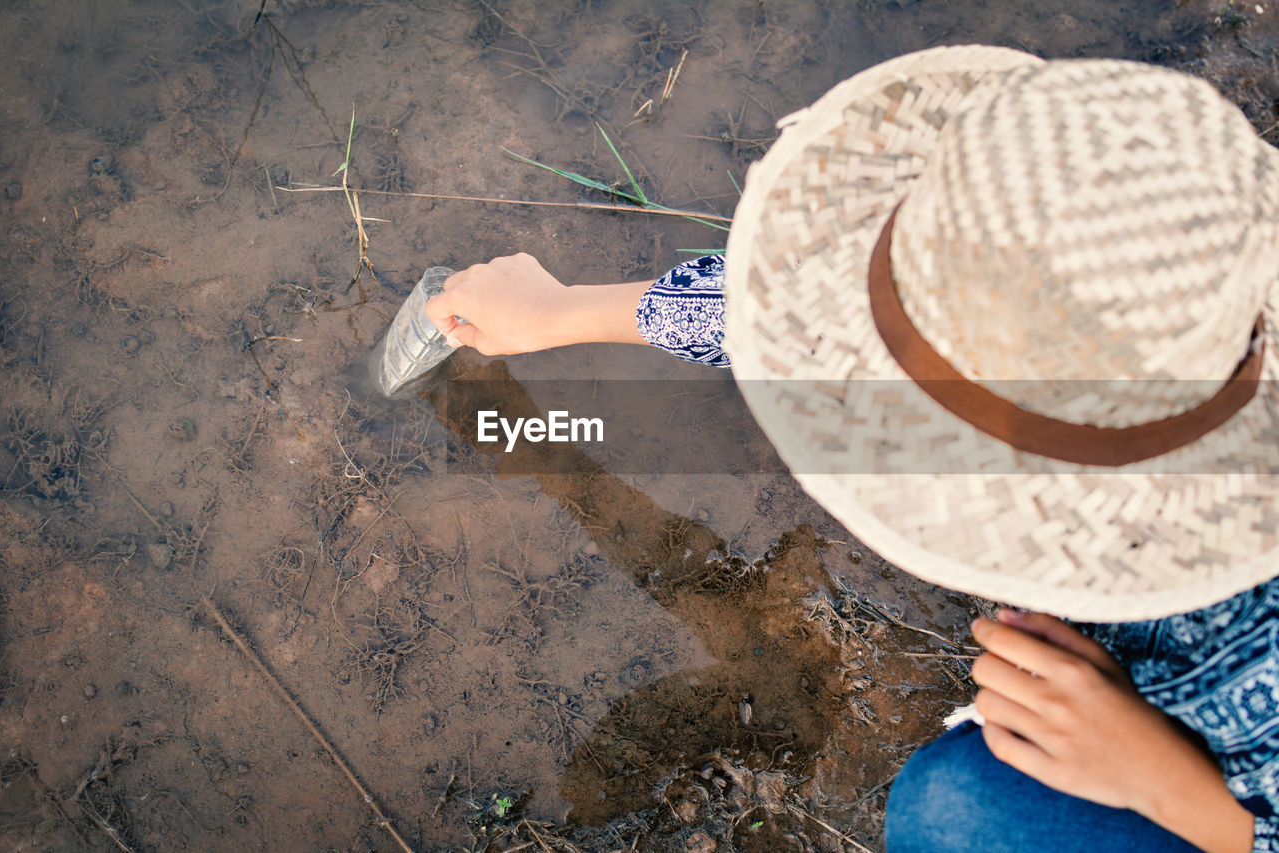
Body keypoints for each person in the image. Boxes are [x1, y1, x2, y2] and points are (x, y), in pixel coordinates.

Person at [425, 46, 1279, 852]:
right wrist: (568, 311)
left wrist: (1175, 788)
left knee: (959, 807)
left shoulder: (1240, 661)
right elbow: (863, 311)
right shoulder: (1196, 265)